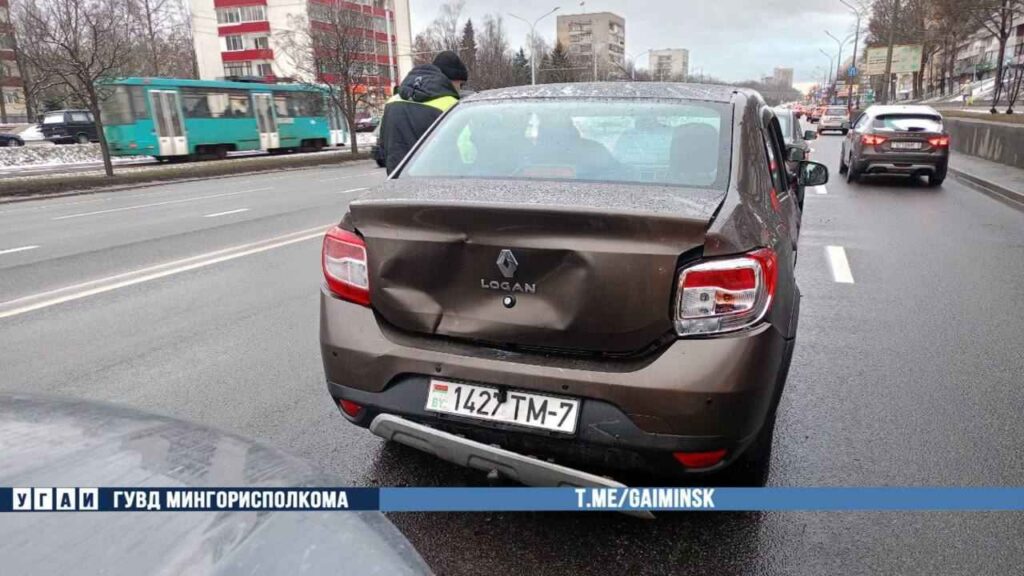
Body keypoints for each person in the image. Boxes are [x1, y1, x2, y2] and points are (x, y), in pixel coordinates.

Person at [379, 51, 468, 174]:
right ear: (451, 80)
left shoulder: (392, 102)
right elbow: (465, 153)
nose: (460, 89)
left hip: (397, 182)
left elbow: (383, 150)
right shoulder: (451, 106)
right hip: (437, 184)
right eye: (460, 84)